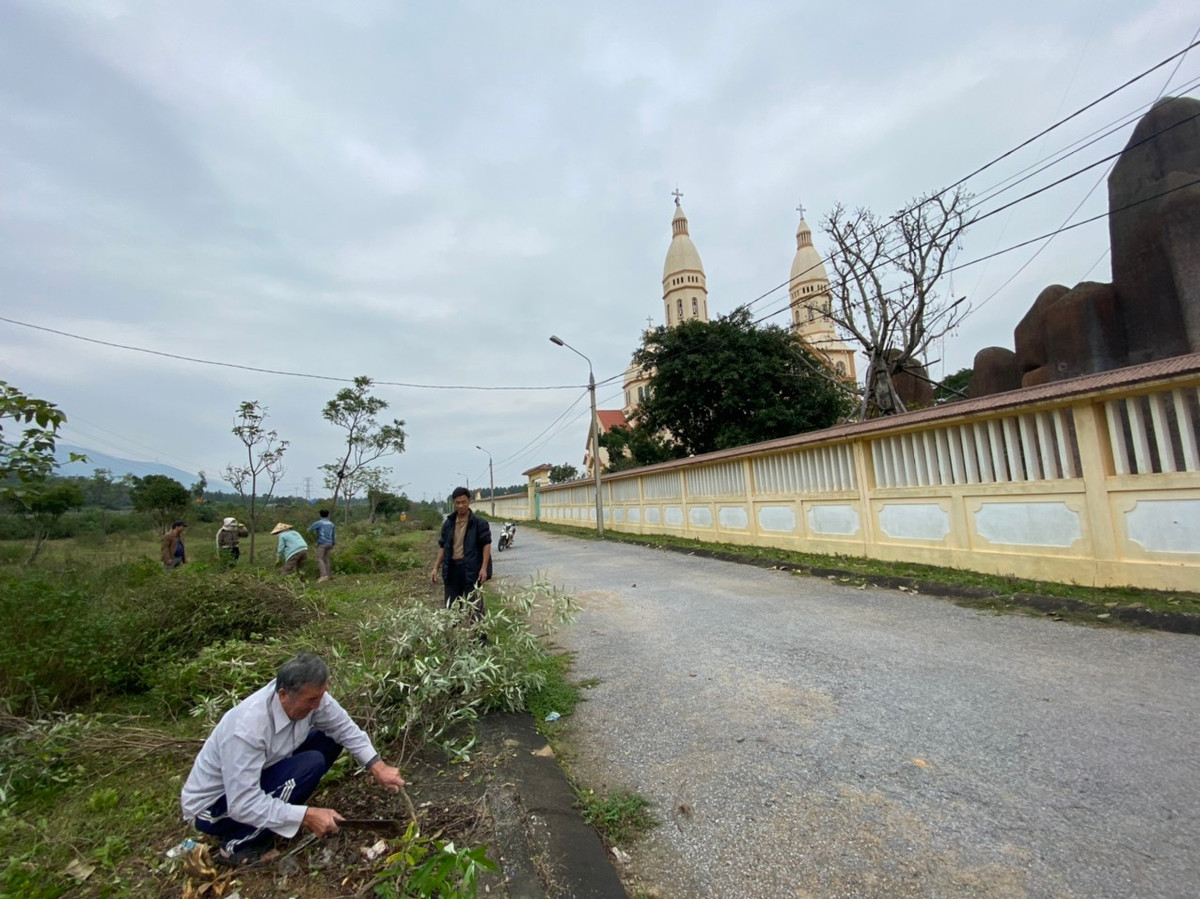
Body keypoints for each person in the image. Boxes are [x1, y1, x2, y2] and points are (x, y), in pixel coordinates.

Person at [180, 653, 405, 866]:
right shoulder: (247, 730)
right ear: (284, 695)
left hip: (257, 776)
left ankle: (280, 808)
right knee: (310, 765)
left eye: (321, 695)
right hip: (214, 807)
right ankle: (237, 845)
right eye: (312, 699)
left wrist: (378, 766)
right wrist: (306, 816)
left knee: (330, 739)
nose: (318, 704)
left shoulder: (313, 698)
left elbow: (344, 728)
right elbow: (242, 803)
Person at [430, 487, 492, 627]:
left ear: (469, 502)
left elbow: (486, 544)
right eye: (457, 502)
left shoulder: (479, 523)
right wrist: (435, 567)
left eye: (463, 502)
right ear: (454, 503)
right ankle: (456, 639)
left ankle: (480, 640)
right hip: (452, 570)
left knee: (475, 607)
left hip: (472, 570)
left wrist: (484, 568)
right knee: (452, 607)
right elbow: (443, 547)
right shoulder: (449, 523)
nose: (460, 506)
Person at [307, 509, 336, 582]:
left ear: (320, 515)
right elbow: (333, 535)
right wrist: (333, 543)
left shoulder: (318, 523)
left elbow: (309, 530)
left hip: (322, 543)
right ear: (328, 515)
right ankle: (328, 575)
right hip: (330, 543)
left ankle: (323, 575)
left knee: (320, 559)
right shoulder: (331, 524)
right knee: (327, 559)